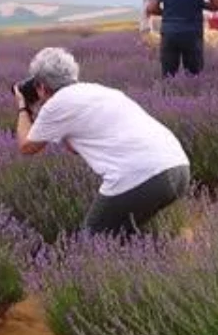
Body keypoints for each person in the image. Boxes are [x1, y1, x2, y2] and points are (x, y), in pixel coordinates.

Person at [14, 47, 190, 235]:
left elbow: (26, 147)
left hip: (140, 175)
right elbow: (75, 147)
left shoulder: (56, 104)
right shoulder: (98, 90)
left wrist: (23, 107)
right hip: (178, 167)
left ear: (40, 85)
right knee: (124, 235)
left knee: (93, 240)